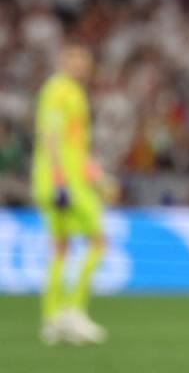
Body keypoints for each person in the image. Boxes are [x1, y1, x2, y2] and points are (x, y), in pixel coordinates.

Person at [32, 43, 111, 344]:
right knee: (98, 241)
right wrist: (59, 179)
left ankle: (52, 318)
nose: (83, 65)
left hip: (66, 177)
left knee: (60, 247)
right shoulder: (60, 90)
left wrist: (97, 176)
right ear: (65, 60)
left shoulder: (69, 91)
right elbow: (50, 135)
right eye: (77, 59)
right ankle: (73, 311)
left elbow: (73, 145)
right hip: (65, 181)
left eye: (85, 60)